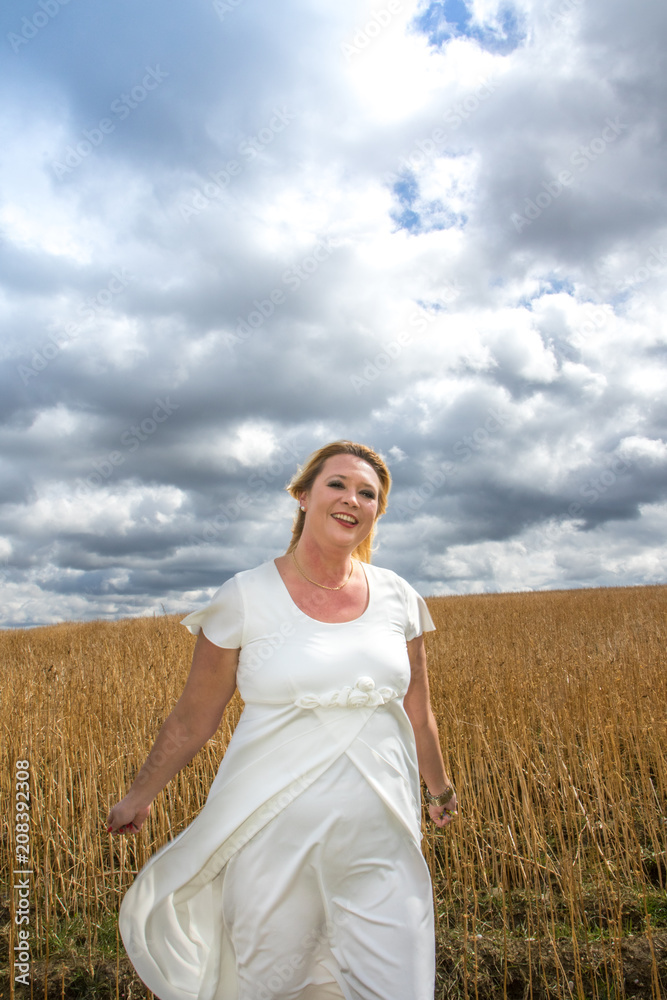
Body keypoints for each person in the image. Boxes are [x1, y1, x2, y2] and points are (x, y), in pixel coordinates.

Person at [106, 439, 458, 1000]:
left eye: (368, 493)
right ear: (302, 496)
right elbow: (193, 718)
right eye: (337, 484)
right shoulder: (245, 596)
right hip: (271, 836)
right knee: (275, 981)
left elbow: (418, 709)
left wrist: (438, 789)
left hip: (382, 836)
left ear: (377, 512)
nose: (352, 499)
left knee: (398, 984)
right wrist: (141, 793)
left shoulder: (400, 598)